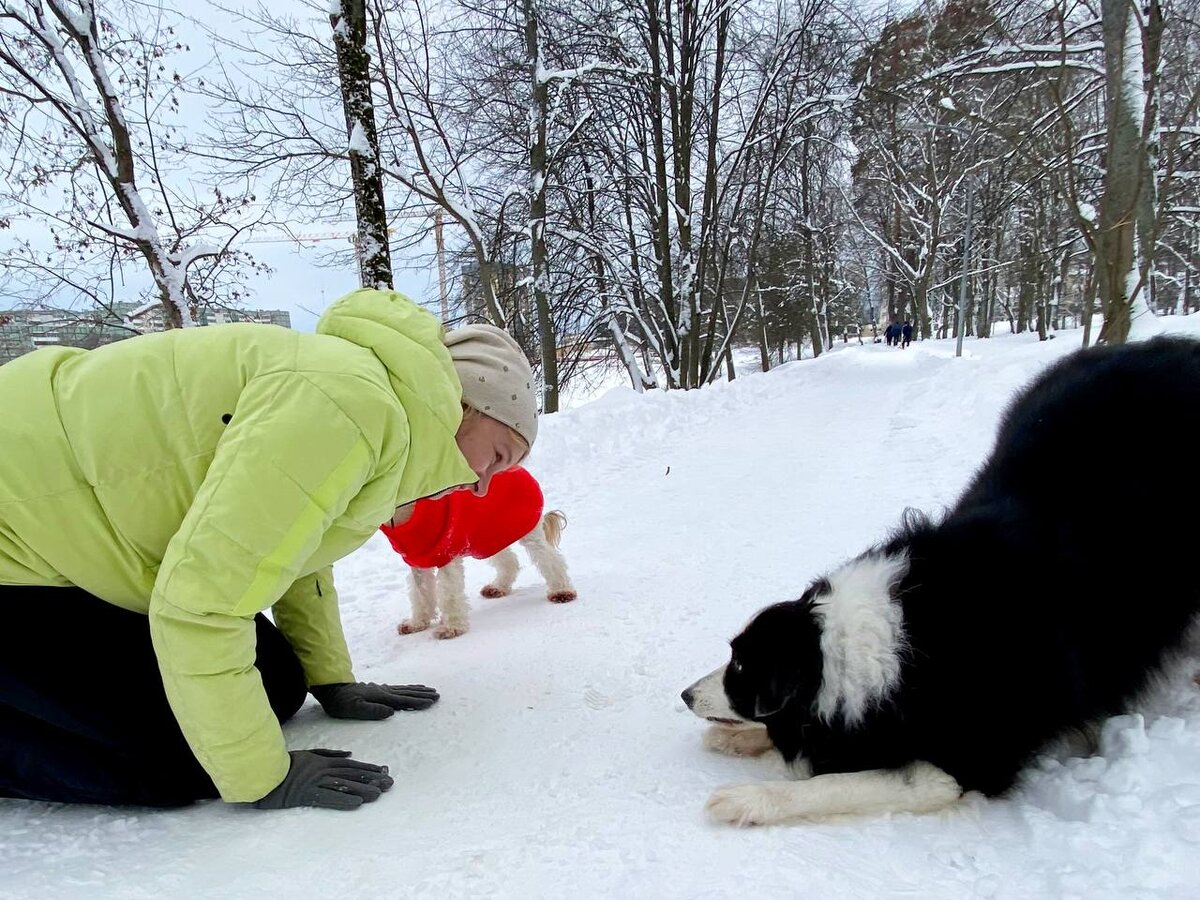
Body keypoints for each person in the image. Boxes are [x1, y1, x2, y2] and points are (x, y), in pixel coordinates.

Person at [0, 288, 536, 811]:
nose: (484, 485)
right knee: (190, 758)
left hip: (73, 535)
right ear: (466, 403)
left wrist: (330, 679)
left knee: (277, 680)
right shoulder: (346, 404)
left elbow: (293, 549)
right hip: (18, 537)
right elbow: (200, 603)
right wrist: (260, 777)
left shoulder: (379, 415)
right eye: (498, 454)